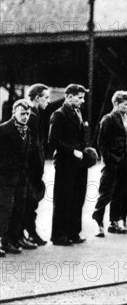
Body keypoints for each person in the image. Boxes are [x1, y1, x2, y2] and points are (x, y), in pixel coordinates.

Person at [48, 84, 90, 246]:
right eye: (79, 97)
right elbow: (53, 141)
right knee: (63, 199)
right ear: (68, 96)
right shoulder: (58, 115)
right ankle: (58, 235)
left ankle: (73, 232)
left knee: (78, 198)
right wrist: (72, 151)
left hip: (80, 163)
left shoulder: (78, 112)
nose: (82, 101)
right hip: (65, 163)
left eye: (83, 97)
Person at [92, 91, 127, 237]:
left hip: (124, 163)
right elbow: (102, 143)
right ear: (116, 103)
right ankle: (98, 224)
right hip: (112, 163)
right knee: (105, 194)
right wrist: (109, 160)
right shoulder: (108, 119)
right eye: (125, 103)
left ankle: (114, 222)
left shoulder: (126, 118)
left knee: (119, 193)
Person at [0, 100, 34, 256]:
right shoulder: (3, 130)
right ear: (14, 112)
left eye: (27, 114)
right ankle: (2, 241)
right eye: (22, 114)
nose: (25, 117)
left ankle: (13, 239)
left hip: (21, 178)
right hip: (6, 178)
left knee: (18, 209)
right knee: (5, 210)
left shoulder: (27, 130)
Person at [23, 83, 50, 246]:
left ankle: (28, 233)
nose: (48, 101)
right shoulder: (32, 117)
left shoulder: (35, 115)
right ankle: (28, 233)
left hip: (33, 168)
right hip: (30, 169)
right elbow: (32, 146)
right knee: (29, 203)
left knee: (29, 203)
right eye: (46, 98)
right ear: (37, 97)